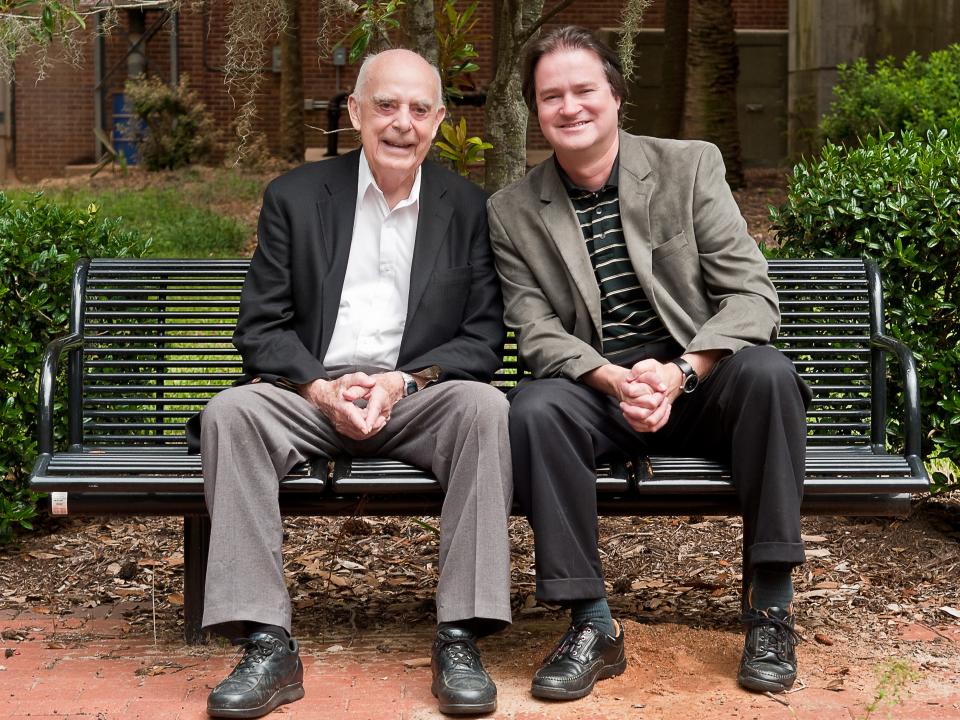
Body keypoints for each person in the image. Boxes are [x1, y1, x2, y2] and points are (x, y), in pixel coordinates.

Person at [488, 27, 811, 701]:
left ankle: (772, 607)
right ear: (535, 110)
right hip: (599, 389)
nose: (570, 107)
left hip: (699, 380)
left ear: (615, 95)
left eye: (584, 90)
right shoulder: (512, 211)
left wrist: (680, 372)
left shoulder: (687, 165)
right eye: (552, 96)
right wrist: (613, 378)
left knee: (770, 374)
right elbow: (536, 329)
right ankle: (591, 624)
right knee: (534, 406)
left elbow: (752, 296)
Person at [198, 48, 512, 718]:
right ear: (355, 113)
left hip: (416, 397)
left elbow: (483, 339)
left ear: (438, 120)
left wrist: (403, 382)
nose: (402, 123)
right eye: (386, 105)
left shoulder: (469, 207)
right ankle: (266, 642)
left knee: (485, 408)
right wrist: (320, 390)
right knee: (231, 412)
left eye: (419, 109)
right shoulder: (296, 197)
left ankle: (461, 635)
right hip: (310, 396)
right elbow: (260, 329)